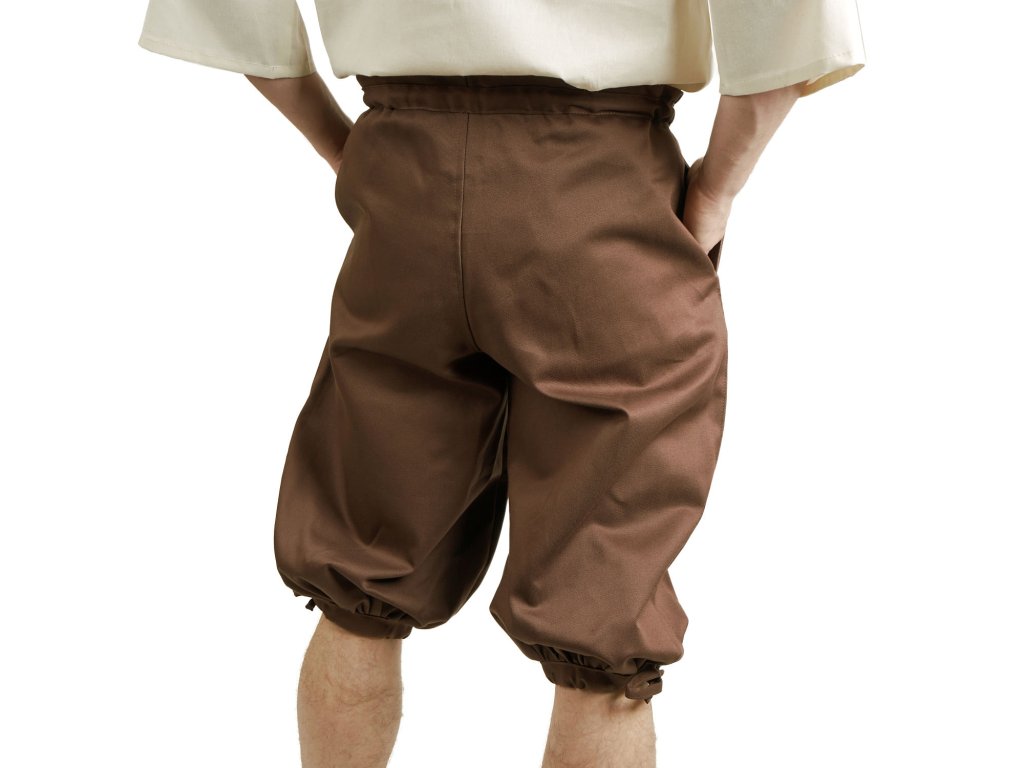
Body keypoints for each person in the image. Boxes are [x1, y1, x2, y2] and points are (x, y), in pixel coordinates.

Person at [137, 2, 866, 766]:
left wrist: (344, 146)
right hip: (602, 183)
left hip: (404, 179)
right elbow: (792, 22)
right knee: (602, 620)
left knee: (359, 577)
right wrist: (713, 194)